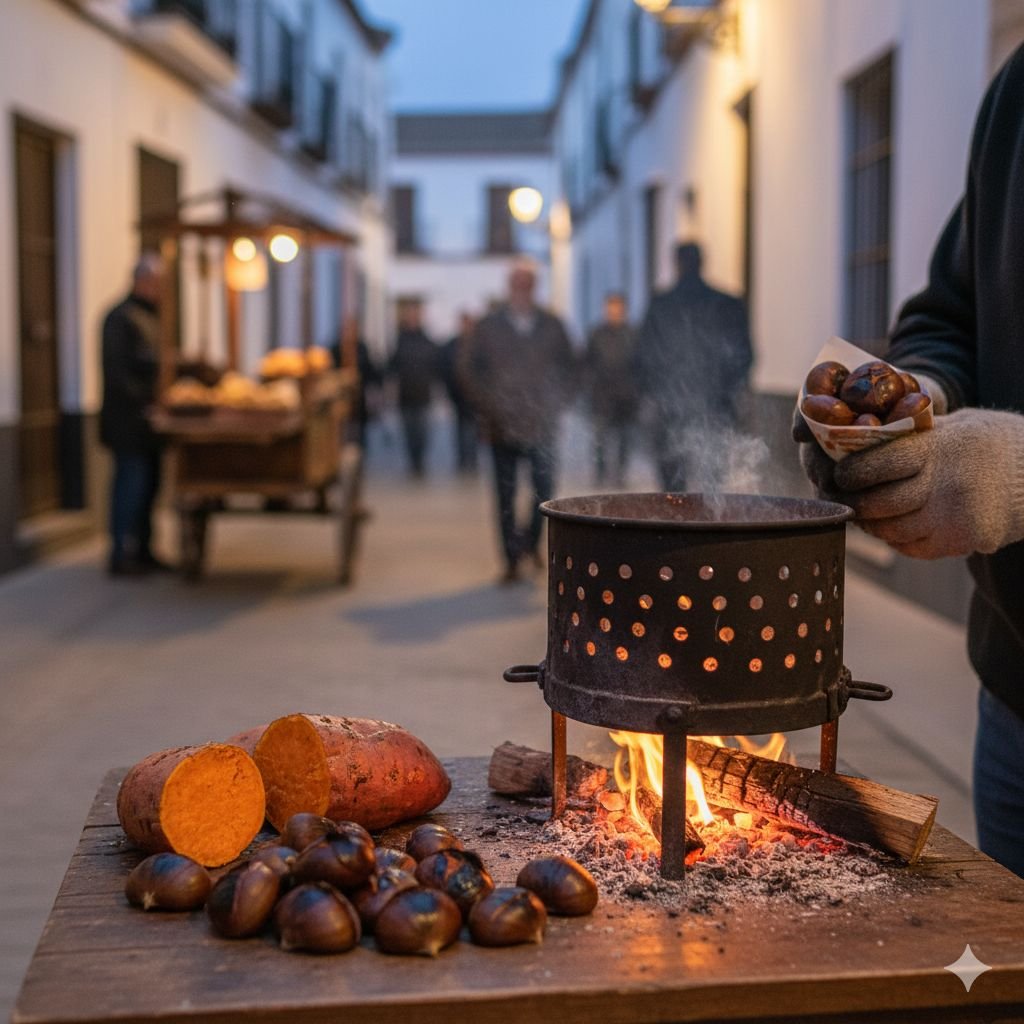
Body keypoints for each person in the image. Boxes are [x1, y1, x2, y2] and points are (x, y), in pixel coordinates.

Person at [793, 44, 1024, 879]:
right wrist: (912, 396)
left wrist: (1018, 474)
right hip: (1016, 692)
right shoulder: (1018, 92)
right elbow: (951, 313)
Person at [459, 263, 575, 583]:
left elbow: (571, 367)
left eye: (528, 285)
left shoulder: (552, 325)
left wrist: (559, 402)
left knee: (544, 491)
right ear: (509, 288)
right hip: (501, 425)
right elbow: (469, 369)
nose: (522, 291)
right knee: (505, 494)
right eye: (517, 284)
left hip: (542, 424)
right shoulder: (488, 327)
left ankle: (531, 543)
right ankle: (511, 557)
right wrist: (489, 404)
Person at [635, 242, 753, 491]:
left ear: (676, 264)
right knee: (712, 486)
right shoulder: (727, 304)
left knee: (673, 490)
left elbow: (642, 358)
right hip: (715, 407)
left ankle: (675, 528)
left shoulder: (661, 305)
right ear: (702, 263)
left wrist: (657, 393)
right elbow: (744, 356)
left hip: (671, 410)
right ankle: (708, 527)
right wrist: (727, 390)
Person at [99, 253, 170, 576]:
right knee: (130, 485)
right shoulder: (120, 318)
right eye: (157, 283)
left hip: (149, 423)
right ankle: (120, 553)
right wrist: (146, 403)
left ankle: (143, 549)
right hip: (128, 421)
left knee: (149, 487)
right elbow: (118, 374)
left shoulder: (152, 317)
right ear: (144, 281)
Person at [584, 292, 638, 488]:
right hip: (602, 396)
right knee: (600, 439)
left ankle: (620, 474)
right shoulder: (597, 333)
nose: (614, 312)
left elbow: (639, 365)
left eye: (618, 308)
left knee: (624, 440)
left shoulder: (633, 334)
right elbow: (587, 362)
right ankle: (600, 473)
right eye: (611, 308)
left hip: (626, 397)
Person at [388, 298, 438, 479]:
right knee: (408, 431)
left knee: (422, 432)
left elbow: (435, 364)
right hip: (405, 395)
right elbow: (392, 365)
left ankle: (420, 461)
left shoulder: (427, 340)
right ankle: (413, 462)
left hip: (423, 394)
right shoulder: (400, 340)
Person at [438, 312, 479, 474]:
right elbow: (444, 368)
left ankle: (472, 460)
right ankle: (462, 459)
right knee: (460, 429)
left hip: (476, 398)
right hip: (458, 396)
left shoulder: (480, 345)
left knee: (473, 430)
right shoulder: (451, 345)